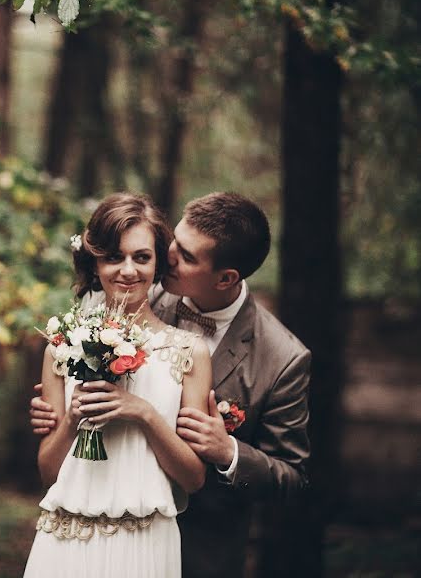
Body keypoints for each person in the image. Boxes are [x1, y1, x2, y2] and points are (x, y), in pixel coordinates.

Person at [30, 192, 311, 578]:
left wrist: (228, 451)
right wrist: (58, 410)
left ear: (225, 277)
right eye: (174, 242)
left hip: (197, 543)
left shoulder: (283, 358)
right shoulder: (128, 290)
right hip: (82, 525)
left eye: (187, 255)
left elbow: (291, 477)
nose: (170, 257)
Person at [23, 193, 212, 578]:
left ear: (158, 262)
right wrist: (74, 418)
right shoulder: (62, 348)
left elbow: (193, 478)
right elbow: (47, 473)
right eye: (114, 257)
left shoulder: (189, 351)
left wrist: (143, 413)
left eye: (141, 257)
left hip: (144, 541)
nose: (127, 270)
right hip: (66, 538)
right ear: (95, 263)